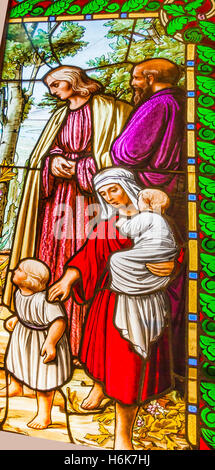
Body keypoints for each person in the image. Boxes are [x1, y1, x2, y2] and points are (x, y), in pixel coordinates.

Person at [3, 65, 132, 360]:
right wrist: (53, 162)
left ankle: (79, 341)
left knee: (85, 260)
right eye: (49, 86)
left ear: (75, 82)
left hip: (91, 202)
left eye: (56, 83)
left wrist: (82, 168)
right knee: (51, 257)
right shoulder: (60, 115)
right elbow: (45, 154)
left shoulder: (110, 110)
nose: (52, 90)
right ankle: (41, 329)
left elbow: (117, 157)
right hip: (57, 201)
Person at [48, 168, 176, 450]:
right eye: (104, 194)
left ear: (128, 187)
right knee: (105, 362)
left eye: (113, 190)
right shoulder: (107, 225)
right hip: (108, 304)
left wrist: (171, 267)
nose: (109, 197)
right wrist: (68, 279)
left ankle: (123, 437)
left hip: (143, 306)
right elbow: (87, 257)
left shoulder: (157, 221)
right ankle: (100, 387)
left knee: (129, 373)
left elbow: (173, 253)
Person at [111, 58, 186, 386]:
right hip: (168, 191)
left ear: (152, 78)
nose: (133, 83)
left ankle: (141, 368)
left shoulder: (159, 104)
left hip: (149, 193)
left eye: (136, 77)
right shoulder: (182, 102)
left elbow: (127, 152)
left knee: (141, 276)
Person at [0, 259, 71, 430]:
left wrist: (51, 342)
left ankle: (44, 414)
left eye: (20, 269)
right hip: (23, 336)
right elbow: (26, 312)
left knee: (44, 378)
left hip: (43, 340)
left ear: (31, 278)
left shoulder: (46, 300)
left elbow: (59, 322)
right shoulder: (19, 293)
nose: (14, 271)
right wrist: (18, 319)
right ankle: (16, 387)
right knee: (16, 363)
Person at [110, 188, 178, 359]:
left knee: (117, 259)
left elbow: (128, 230)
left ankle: (132, 283)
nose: (137, 202)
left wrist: (121, 221)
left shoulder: (147, 216)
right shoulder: (162, 220)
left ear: (147, 203)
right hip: (163, 253)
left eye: (139, 199)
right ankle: (143, 281)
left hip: (152, 253)